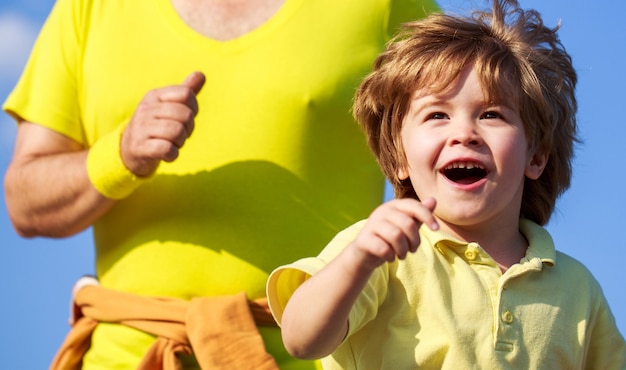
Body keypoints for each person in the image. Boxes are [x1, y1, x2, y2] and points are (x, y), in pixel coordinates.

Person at [1, 0, 440, 368]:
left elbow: (475, 137)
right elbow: (24, 201)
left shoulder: (383, 5)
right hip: (123, 355)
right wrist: (121, 153)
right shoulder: (90, 7)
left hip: (315, 357)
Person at [265, 0, 626, 368]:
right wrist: (359, 259)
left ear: (535, 157)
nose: (464, 133)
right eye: (437, 114)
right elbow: (301, 339)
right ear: (399, 157)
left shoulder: (579, 289)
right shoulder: (377, 255)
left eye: (491, 114)